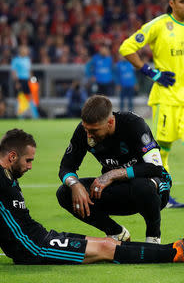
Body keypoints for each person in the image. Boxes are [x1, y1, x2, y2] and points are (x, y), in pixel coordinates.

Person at [0, 128, 184, 269]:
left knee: (106, 243)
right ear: (11, 156)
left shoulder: (2, 174)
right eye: (28, 160)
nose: (30, 166)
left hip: (39, 237)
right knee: (107, 249)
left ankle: (172, 249)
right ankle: (176, 252)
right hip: (34, 248)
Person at [119, 0, 184, 210]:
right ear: (172, 3)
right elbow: (127, 47)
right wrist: (151, 72)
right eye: (183, 2)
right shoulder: (158, 25)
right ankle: (165, 194)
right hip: (166, 98)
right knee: (162, 149)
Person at [56, 95, 171, 244]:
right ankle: (116, 233)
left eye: (94, 130)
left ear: (110, 122)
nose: (89, 135)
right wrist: (74, 184)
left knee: (142, 186)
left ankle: (153, 239)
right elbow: (66, 166)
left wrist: (114, 174)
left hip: (154, 189)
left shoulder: (133, 124)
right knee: (64, 193)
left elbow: (156, 168)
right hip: (119, 191)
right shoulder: (84, 131)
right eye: (86, 129)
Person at [11, 45, 39, 118]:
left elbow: (29, 71)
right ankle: (20, 115)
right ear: (21, 51)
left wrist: (32, 80)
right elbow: (14, 72)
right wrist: (16, 82)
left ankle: (34, 115)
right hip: (20, 80)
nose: (27, 51)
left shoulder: (27, 59)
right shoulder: (16, 60)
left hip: (27, 80)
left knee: (30, 97)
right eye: (25, 50)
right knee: (20, 97)